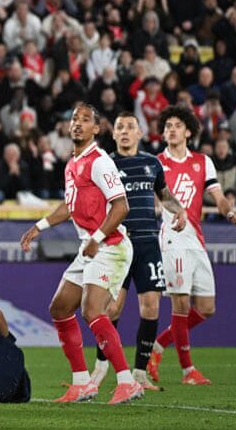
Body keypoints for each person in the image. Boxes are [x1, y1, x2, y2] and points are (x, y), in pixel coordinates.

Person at [20, 104, 143, 405]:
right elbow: (69, 205)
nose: (77, 123)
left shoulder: (100, 161)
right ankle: (82, 383)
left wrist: (98, 237)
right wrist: (39, 226)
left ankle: (127, 382)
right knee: (60, 307)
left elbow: (121, 205)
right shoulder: (72, 162)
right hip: (90, 246)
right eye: (74, 118)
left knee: (91, 311)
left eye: (85, 120)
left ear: (96, 129)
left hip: (109, 245)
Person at [89, 113, 188, 391]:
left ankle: (140, 374)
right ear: (113, 133)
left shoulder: (151, 163)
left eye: (130, 127)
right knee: (112, 308)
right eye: (119, 126)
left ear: (140, 132)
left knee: (151, 307)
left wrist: (179, 210)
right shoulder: (104, 164)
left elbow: (164, 194)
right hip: (118, 244)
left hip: (147, 244)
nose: (124, 131)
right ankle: (100, 369)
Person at [147, 106, 236, 385]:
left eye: (177, 125)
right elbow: (162, 196)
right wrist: (177, 210)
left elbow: (218, 196)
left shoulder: (203, 161)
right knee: (181, 304)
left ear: (188, 131)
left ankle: (158, 345)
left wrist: (228, 211)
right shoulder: (157, 163)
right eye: (167, 126)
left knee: (207, 307)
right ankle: (188, 371)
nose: (171, 130)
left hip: (196, 240)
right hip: (173, 240)